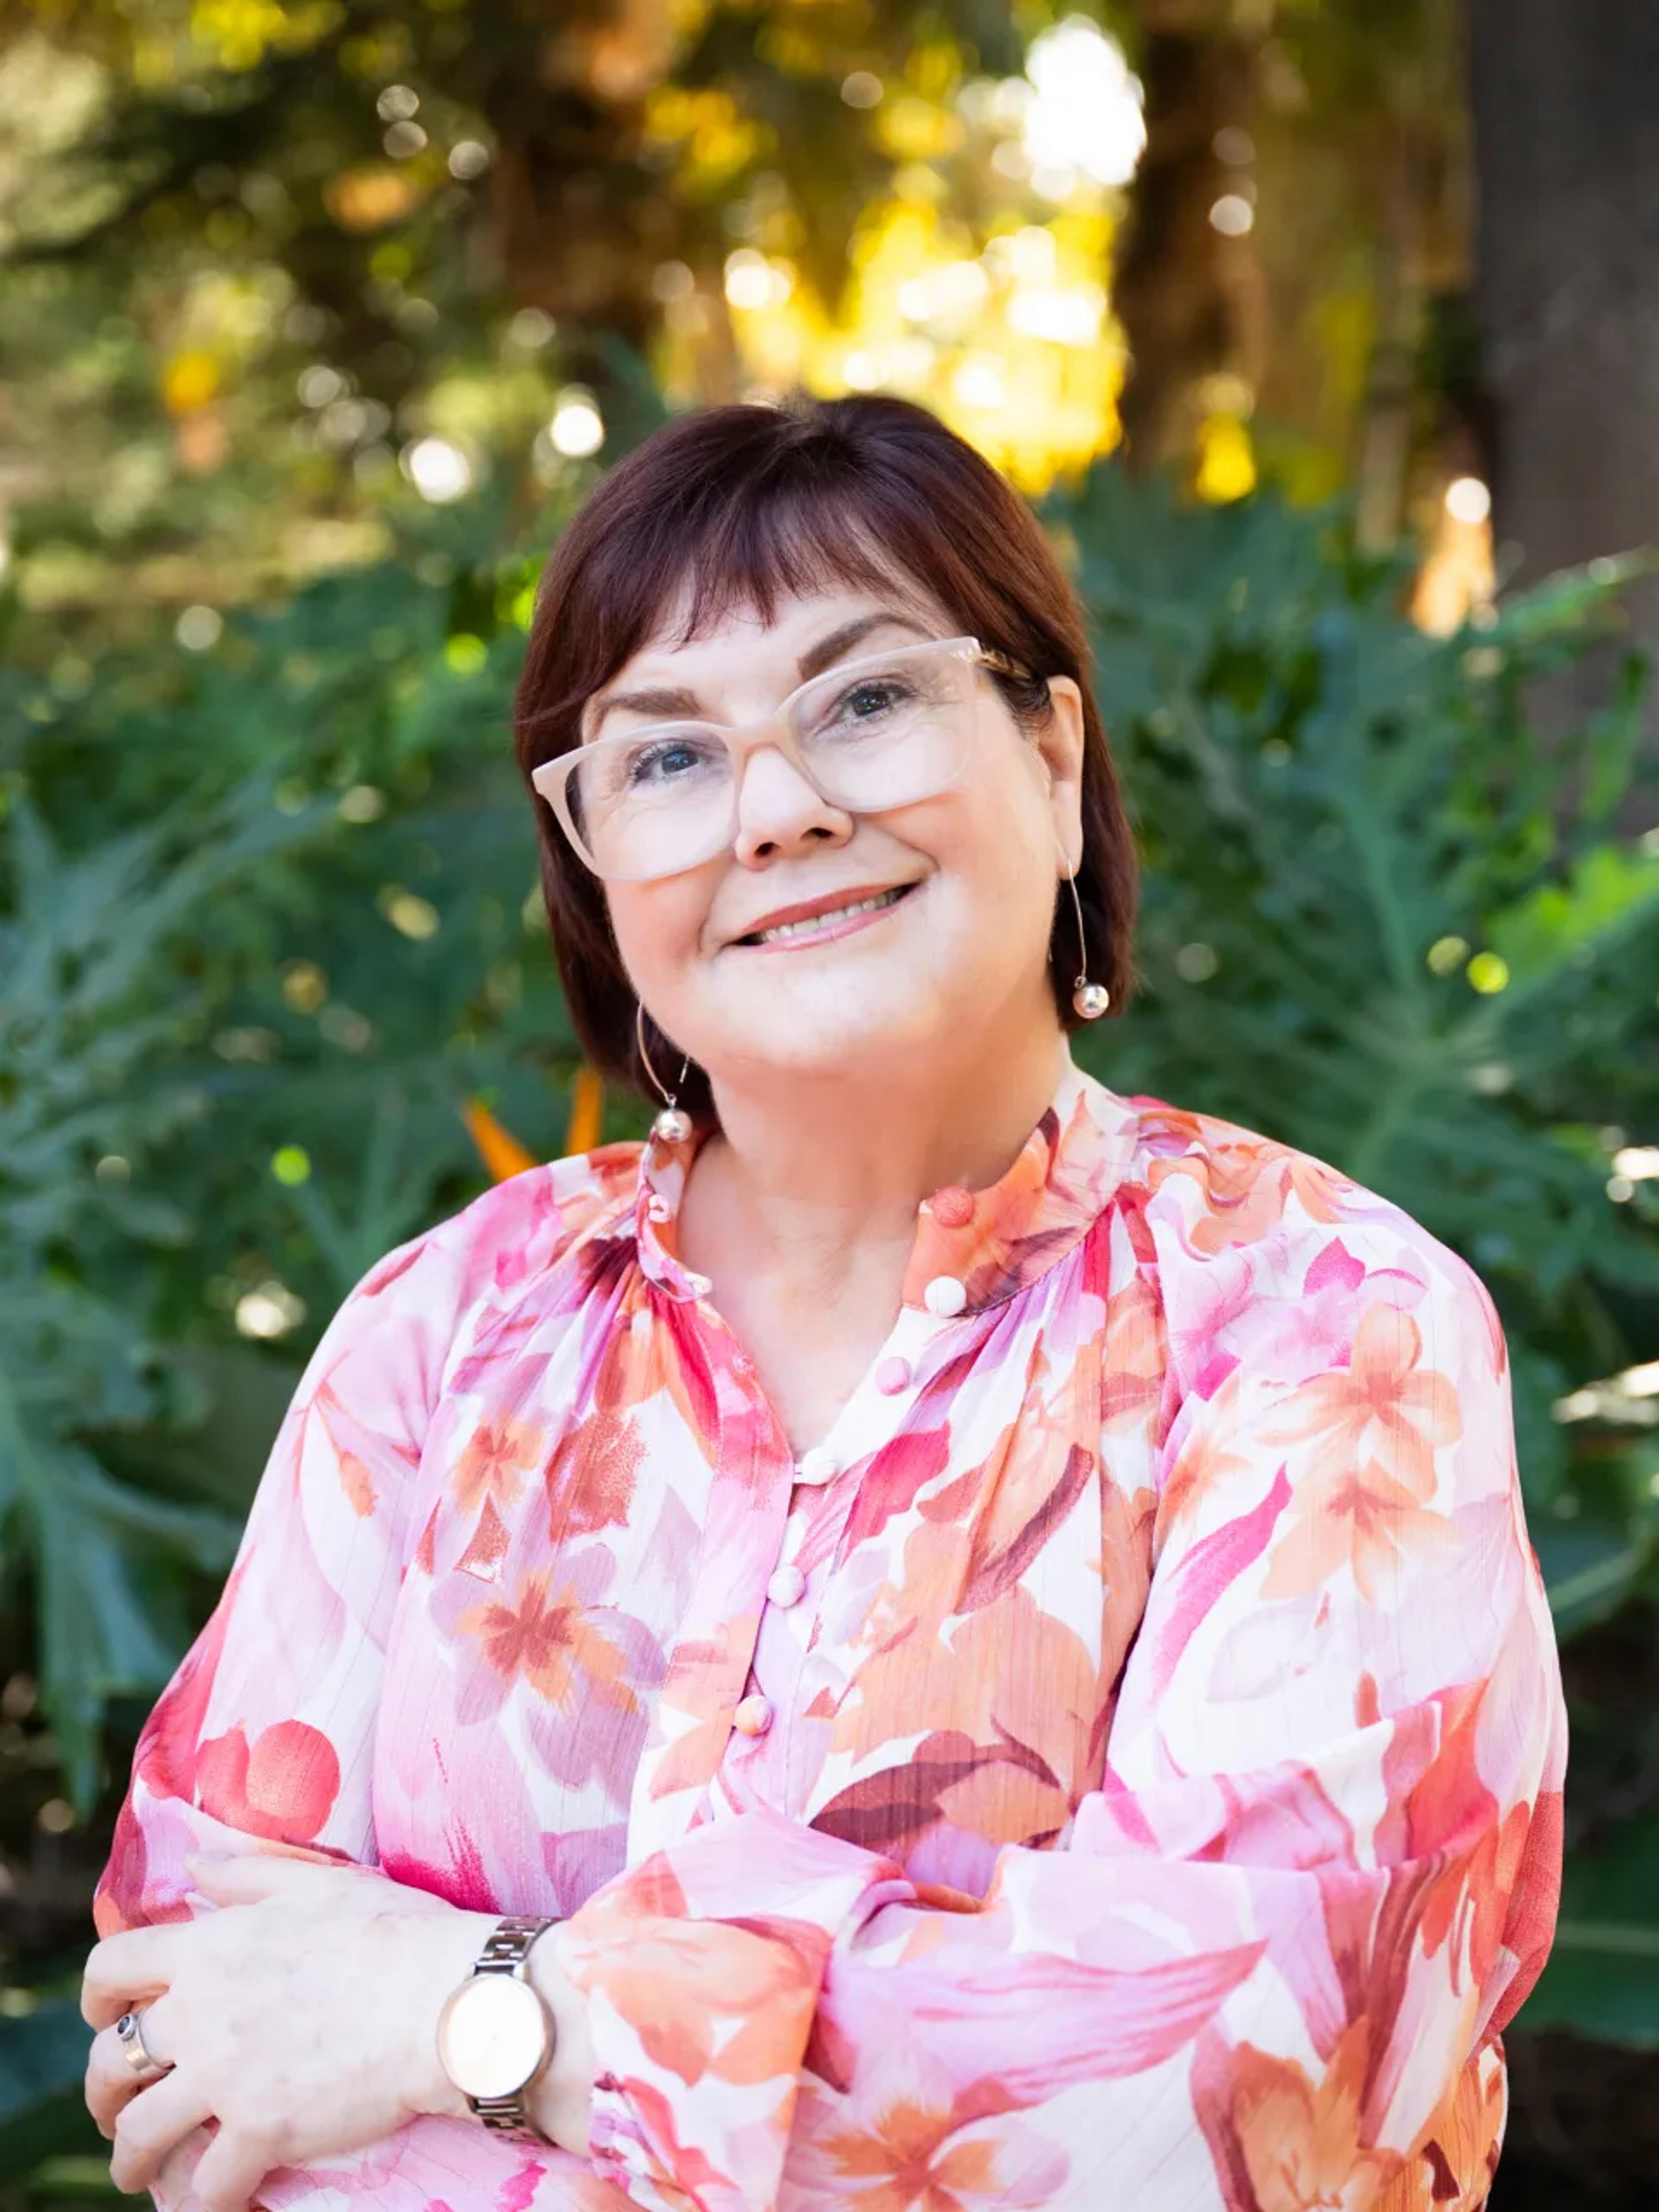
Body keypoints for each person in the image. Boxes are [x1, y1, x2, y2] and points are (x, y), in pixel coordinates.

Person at [82, 393, 1567, 2212]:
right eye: (666, 757)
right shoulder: (449, 1325)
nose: (778, 808)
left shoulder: (1326, 1322)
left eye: (865, 698)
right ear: (595, 868)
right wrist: (870, 2035)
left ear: (1051, 748)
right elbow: (186, 2018)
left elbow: (1236, 2083)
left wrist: (477, 2022)